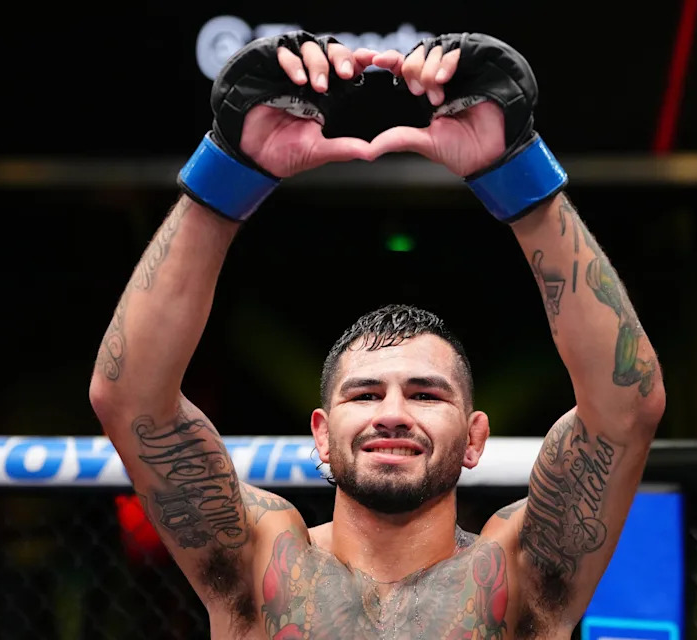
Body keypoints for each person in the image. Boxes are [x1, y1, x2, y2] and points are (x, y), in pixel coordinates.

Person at [89, 31, 665, 640]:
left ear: (475, 438)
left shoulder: (518, 574)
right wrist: (229, 167)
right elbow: (131, 399)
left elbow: (625, 406)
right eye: (364, 394)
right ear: (321, 433)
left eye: (426, 394)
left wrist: (516, 168)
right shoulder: (261, 564)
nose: (392, 414)